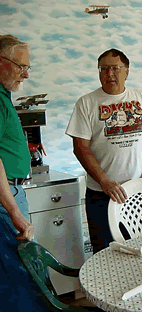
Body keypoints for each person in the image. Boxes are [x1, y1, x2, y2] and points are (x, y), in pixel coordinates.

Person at [66, 48, 142, 254]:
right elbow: (80, 147)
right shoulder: (87, 103)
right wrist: (104, 180)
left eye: (115, 68)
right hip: (103, 194)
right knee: (105, 253)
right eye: (103, 69)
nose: (109, 74)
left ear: (127, 71)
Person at [0, 35, 50, 310]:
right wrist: (15, 213)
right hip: (4, 200)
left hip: (10, 193)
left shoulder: (4, 97)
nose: (26, 74)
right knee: (20, 278)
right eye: (20, 67)